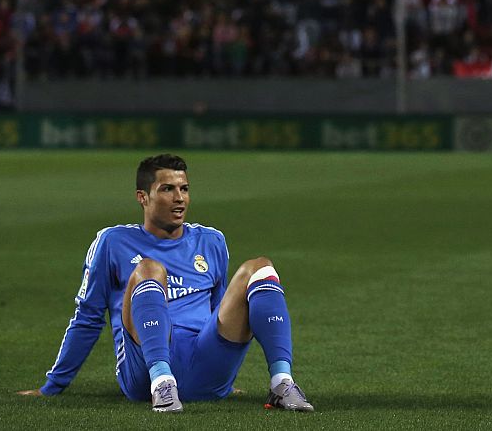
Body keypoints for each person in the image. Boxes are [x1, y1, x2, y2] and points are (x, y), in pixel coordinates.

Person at [22, 153, 314, 412]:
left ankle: (282, 383)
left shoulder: (211, 240)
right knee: (149, 268)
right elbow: (87, 318)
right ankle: (162, 383)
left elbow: (221, 312)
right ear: (142, 197)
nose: (180, 198)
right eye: (168, 189)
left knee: (259, 268)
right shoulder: (113, 242)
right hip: (142, 374)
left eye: (184, 189)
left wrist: (222, 375)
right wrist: (53, 386)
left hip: (204, 364)